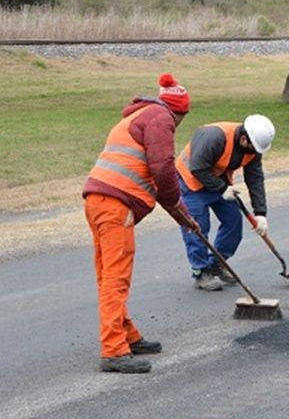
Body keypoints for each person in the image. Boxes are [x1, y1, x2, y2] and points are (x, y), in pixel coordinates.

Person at [82, 73, 199, 374]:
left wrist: (185, 219)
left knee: (107, 275)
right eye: (183, 117)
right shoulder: (162, 119)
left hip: (97, 200)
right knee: (115, 278)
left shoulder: (142, 114)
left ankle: (127, 335)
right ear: (180, 111)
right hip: (115, 206)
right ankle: (113, 350)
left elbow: (157, 179)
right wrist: (183, 214)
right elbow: (163, 172)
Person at [176, 115, 276, 291]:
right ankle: (201, 271)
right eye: (253, 149)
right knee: (197, 228)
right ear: (244, 139)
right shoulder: (214, 137)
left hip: (217, 182)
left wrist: (260, 213)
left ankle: (217, 263)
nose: (254, 153)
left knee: (233, 221)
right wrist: (222, 189)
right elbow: (197, 168)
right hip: (190, 181)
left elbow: (255, 179)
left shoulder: (253, 148)